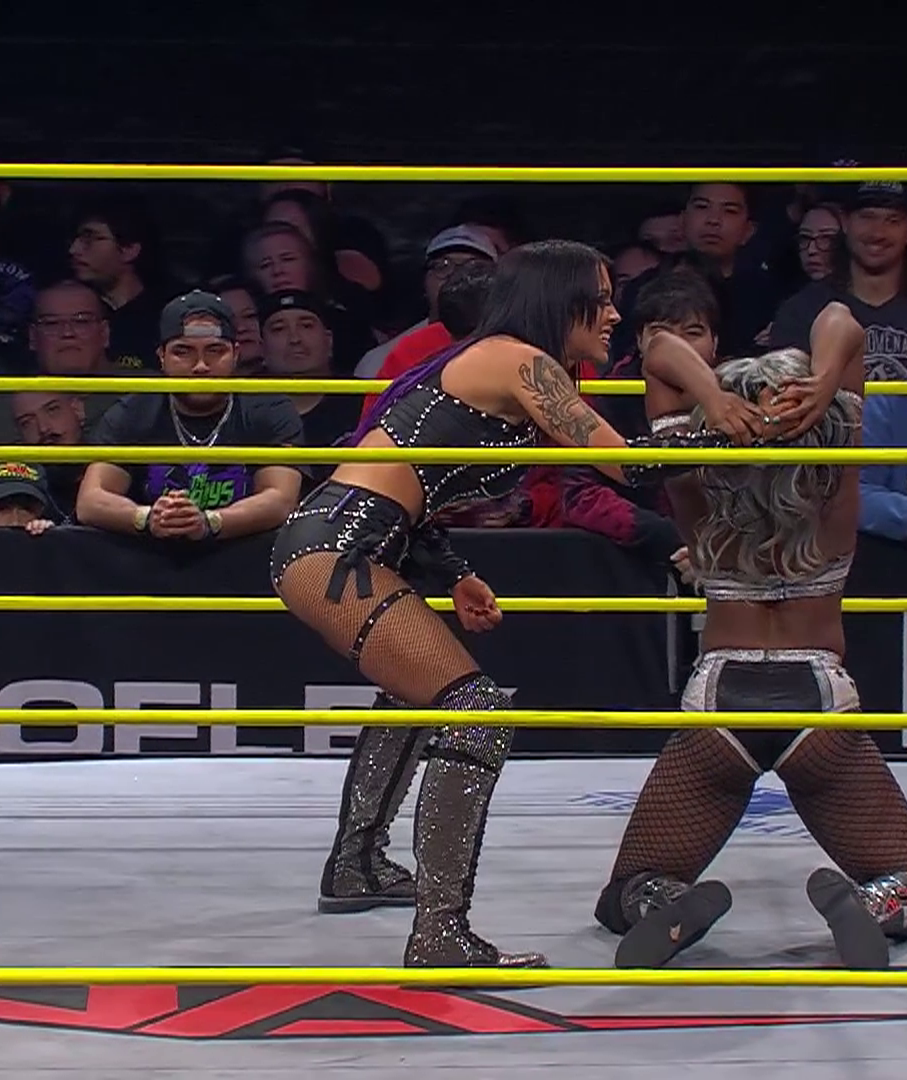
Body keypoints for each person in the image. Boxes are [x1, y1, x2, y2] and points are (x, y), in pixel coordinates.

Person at [272, 239, 809, 969]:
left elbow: (409, 475)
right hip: (339, 547)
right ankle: (440, 935)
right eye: (603, 298)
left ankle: (357, 864)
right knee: (476, 711)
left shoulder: (505, 363)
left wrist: (455, 572)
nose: (614, 314)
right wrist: (727, 426)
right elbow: (627, 464)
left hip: (359, 540)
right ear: (562, 300)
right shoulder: (521, 361)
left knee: (416, 693)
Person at [591, 303, 907, 971]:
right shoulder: (832, 476)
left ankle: (664, 899)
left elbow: (661, 347)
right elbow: (841, 319)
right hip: (819, 697)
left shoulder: (697, 488)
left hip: (719, 696)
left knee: (626, 891)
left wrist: (713, 399)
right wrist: (822, 385)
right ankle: (878, 902)